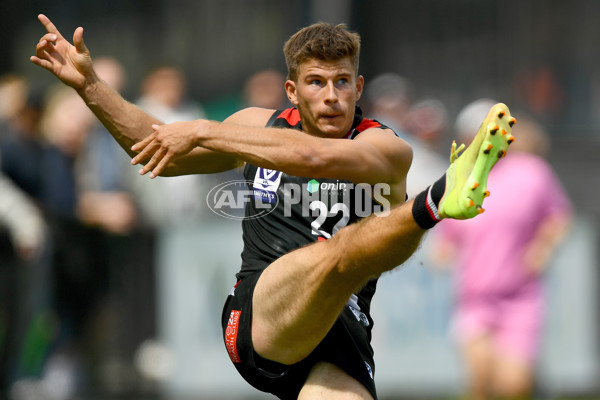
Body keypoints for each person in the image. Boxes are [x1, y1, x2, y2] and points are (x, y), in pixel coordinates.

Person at [31, 15, 516, 399]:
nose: (331, 97)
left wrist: (202, 128)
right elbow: (154, 149)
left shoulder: (387, 148)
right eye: (316, 82)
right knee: (338, 252)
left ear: (359, 87)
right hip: (261, 315)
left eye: (343, 82)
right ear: (291, 91)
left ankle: (434, 203)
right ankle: (435, 201)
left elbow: (314, 156)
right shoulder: (257, 125)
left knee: (345, 258)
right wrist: (90, 85)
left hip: (343, 330)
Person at [431, 99, 572, 400]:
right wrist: (441, 254)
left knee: (513, 386)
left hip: (521, 297)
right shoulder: (459, 179)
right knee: (481, 378)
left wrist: (543, 248)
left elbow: (558, 217)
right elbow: (448, 237)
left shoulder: (532, 172)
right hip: (475, 297)